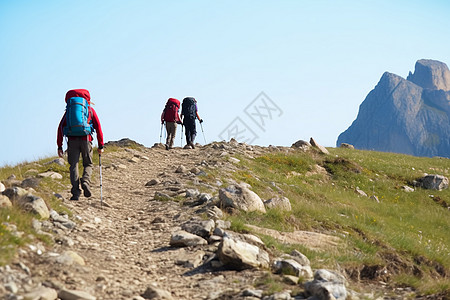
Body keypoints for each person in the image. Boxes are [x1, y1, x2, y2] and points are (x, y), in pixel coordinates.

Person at [57, 89, 104, 201]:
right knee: (88, 164)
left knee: (74, 165)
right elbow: (98, 127)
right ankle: (85, 181)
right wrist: (101, 145)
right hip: (86, 139)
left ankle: (76, 193)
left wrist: (59, 146)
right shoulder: (90, 110)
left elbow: (60, 128)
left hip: (72, 141)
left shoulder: (68, 112)